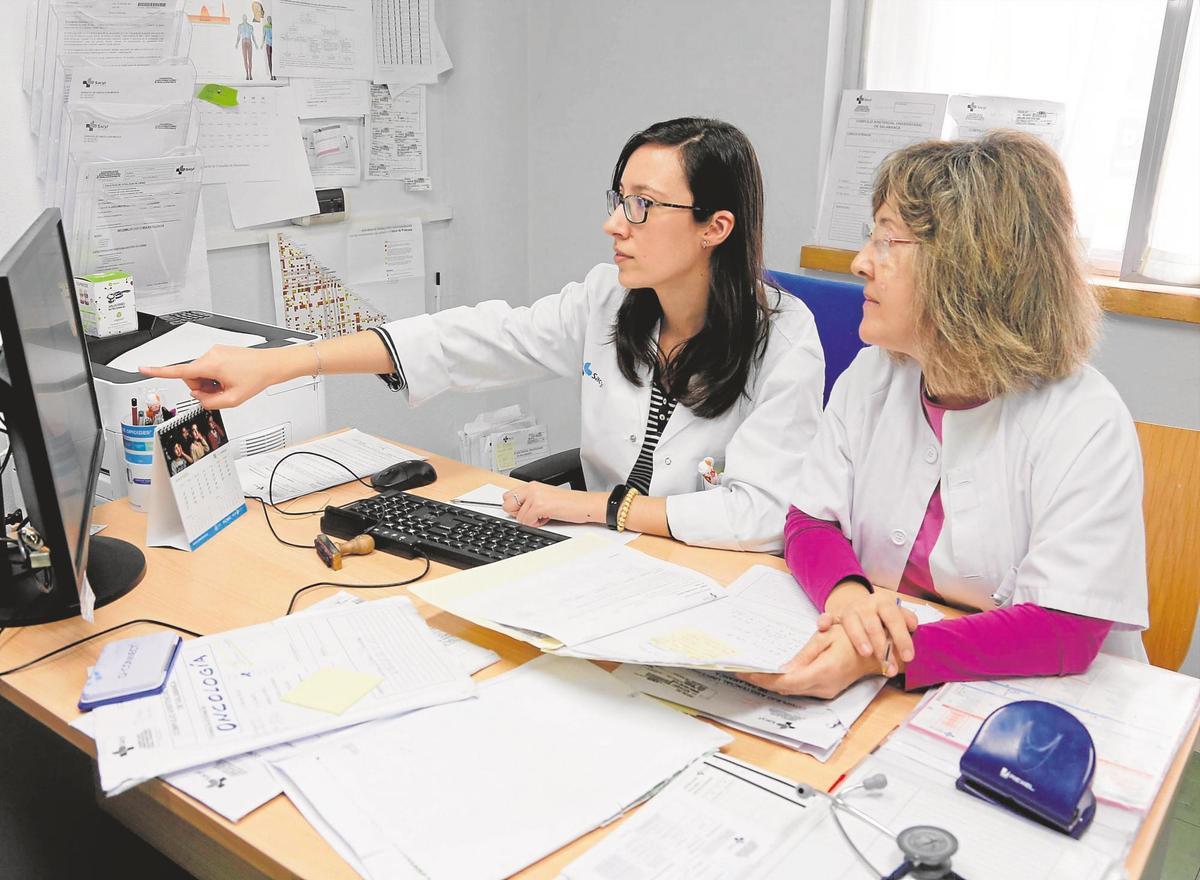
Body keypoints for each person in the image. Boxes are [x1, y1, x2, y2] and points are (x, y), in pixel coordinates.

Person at [140, 117, 825, 552]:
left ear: (716, 227)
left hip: (712, 584)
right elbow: (472, 339)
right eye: (617, 199)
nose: (615, 223)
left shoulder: (786, 341)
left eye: (642, 206)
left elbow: (760, 515)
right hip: (601, 563)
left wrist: (592, 507)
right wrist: (290, 363)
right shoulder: (609, 299)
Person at [741, 130, 1148, 699]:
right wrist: (851, 601)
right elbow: (810, 522)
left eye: (887, 241)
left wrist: (884, 657)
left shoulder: (1085, 419)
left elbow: (1067, 627)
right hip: (887, 679)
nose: (861, 263)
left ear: (968, 266)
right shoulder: (872, 375)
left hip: (1040, 701)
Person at [235, 14, 260, 81]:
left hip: (249, 42)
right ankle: (247, 74)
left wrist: (256, 44)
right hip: (243, 42)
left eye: (245, 16)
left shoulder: (250, 26)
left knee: (250, 59)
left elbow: (253, 36)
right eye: (243, 16)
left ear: (247, 18)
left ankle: (250, 74)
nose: (244, 17)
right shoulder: (240, 26)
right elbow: (238, 36)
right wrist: (236, 43)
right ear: (242, 18)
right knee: (245, 59)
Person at [262, 16, 275, 80]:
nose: (269, 20)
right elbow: (264, 36)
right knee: (269, 60)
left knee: (274, 60)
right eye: (268, 19)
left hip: (274, 45)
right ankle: (271, 75)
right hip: (268, 45)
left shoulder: (274, 26)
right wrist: (262, 44)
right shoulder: (265, 26)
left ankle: (274, 74)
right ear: (267, 20)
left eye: (270, 19)